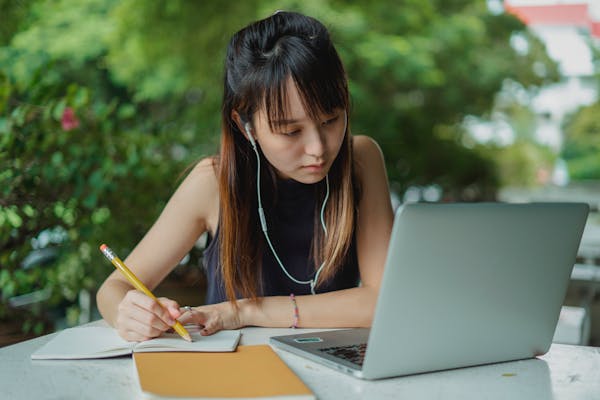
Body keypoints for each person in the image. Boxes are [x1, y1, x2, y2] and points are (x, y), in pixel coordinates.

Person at [96, 11, 394, 342]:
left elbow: (382, 302)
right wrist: (131, 314)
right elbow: (113, 288)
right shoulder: (213, 181)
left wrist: (244, 311)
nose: (317, 149)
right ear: (245, 124)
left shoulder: (362, 160)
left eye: (330, 121)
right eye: (290, 131)